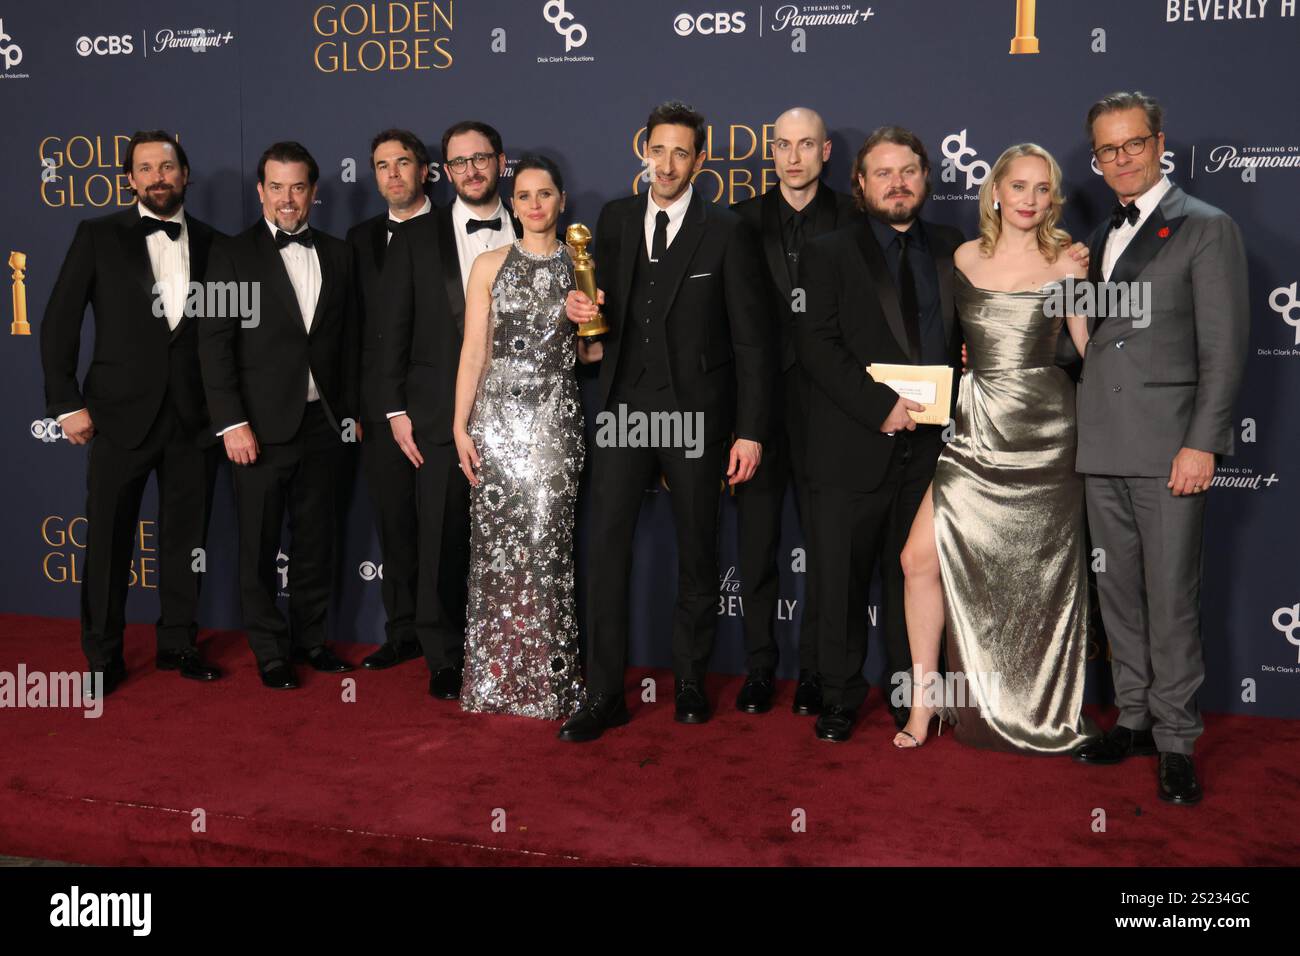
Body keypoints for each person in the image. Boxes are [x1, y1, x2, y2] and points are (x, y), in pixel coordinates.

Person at [558, 100, 773, 741]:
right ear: (643, 153)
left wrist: (751, 428)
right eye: (659, 150)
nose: (669, 164)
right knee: (605, 549)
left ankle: (688, 683)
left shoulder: (727, 229)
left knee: (697, 553)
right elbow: (604, 324)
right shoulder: (615, 220)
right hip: (625, 409)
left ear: (700, 160)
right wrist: (581, 317)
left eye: (682, 152)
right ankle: (604, 695)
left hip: (697, 416)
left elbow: (753, 342)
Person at [1071, 92, 1248, 805]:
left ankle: (1177, 739)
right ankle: (1137, 718)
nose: (1121, 159)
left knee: (1170, 600)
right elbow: (1086, 345)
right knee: (1117, 596)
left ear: (1159, 142)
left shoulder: (1207, 229)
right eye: (1107, 150)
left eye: (1132, 144)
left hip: (1169, 448)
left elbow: (1227, 350)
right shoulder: (1098, 234)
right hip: (1101, 449)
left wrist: (1202, 444)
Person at [893, 143, 1096, 754]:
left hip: (1045, 435)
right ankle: (926, 703)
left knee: (1039, 582)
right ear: (996, 192)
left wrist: (1084, 290)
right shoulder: (961, 257)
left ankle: (1041, 707)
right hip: (975, 428)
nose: (1031, 200)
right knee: (917, 561)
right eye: (1020, 187)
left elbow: (1090, 351)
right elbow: (942, 336)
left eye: (1043, 189)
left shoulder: (1067, 261)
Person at [795, 127, 965, 743]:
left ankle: (909, 695)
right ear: (861, 184)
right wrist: (878, 407)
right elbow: (816, 344)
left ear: (925, 178)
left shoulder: (954, 247)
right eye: (884, 173)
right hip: (852, 440)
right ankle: (840, 697)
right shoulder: (827, 251)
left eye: (909, 172)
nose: (898, 183)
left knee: (913, 575)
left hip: (933, 447)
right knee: (839, 577)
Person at [41, 130, 223, 696]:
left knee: (186, 539)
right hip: (118, 416)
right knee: (108, 542)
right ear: (130, 180)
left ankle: (178, 643)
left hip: (194, 420)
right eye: (145, 169)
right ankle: (102, 656)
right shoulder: (97, 235)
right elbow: (58, 324)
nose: (157, 178)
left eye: (166, 167)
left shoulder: (219, 244)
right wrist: (65, 403)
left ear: (185, 174)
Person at [198, 141, 359, 689]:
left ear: (314, 192)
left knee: (317, 540)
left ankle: (310, 640)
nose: (287, 199)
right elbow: (214, 344)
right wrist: (231, 421)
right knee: (259, 542)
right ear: (260, 192)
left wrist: (352, 412)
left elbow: (350, 342)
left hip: (324, 423)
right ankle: (269, 650)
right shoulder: (232, 254)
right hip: (259, 427)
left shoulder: (338, 253)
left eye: (298, 187)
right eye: (276, 187)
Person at [451, 154, 601, 718]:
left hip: (554, 421)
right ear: (512, 206)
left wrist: (584, 317)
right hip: (495, 421)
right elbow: (473, 352)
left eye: (545, 194)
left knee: (547, 550)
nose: (535, 204)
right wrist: (460, 426)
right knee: (494, 555)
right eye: (524, 196)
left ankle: (551, 683)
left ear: (562, 201)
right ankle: (492, 683)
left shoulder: (581, 265)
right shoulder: (489, 264)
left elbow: (591, 354)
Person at [378, 120, 521, 700]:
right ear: (445, 170)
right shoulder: (415, 236)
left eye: (481, 158)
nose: (471, 170)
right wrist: (394, 409)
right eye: (459, 162)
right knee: (439, 539)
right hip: (438, 414)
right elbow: (392, 331)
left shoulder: (537, 227)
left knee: (514, 540)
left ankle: (512, 648)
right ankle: (441, 655)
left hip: (520, 417)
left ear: (501, 162)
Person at [729, 107, 860, 717]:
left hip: (834, 413)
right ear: (771, 150)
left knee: (828, 551)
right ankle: (759, 667)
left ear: (826, 151)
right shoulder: (736, 222)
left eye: (806, 144)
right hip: (756, 411)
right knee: (756, 547)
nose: (794, 156)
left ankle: (815, 670)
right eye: (783, 144)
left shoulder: (856, 219)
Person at [346, 129, 432, 670]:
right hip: (380, 408)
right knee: (395, 523)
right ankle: (403, 632)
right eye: (382, 165)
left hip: (445, 403)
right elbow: (352, 327)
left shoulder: (452, 227)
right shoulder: (358, 239)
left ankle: (453, 630)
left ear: (426, 171)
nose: (393, 173)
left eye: (403, 162)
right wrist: (360, 407)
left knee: (448, 527)